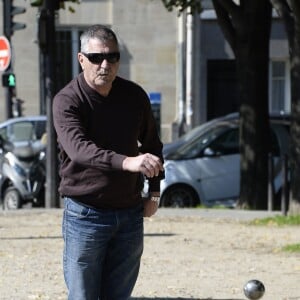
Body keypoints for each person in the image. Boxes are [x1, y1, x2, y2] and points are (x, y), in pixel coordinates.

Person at [52, 24, 164, 300]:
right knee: (83, 296)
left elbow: (152, 146)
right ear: (81, 60)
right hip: (85, 213)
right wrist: (127, 162)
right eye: (96, 58)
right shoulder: (67, 101)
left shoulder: (134, 96)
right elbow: (79, 150)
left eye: (112, 57)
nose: (105, 65)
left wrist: (154, 192)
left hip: (129, 213)